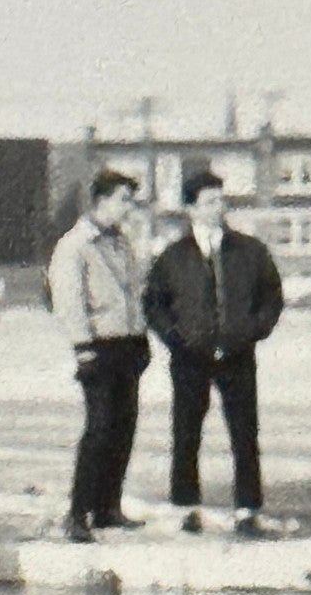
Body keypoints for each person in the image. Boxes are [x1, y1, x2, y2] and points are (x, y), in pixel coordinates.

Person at [144, 169, 284, 536]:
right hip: (190, 357)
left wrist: (252, 331)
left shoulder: (250, 251)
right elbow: (155, 304)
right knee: (187, 431)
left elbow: (271, 297)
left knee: (244, 433)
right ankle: (186, 506)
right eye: (208, 202)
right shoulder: (173, 257)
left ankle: (248, 508)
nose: (217, 207)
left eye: (221, 200)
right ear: (191, 208)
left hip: (238, 355)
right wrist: (176, 338)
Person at [47, 168, 152, 543]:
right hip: (98, 347)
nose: (129, 208)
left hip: (127, 344)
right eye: (124, 199)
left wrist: (141, 339)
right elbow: (69, 301)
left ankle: (109, 507)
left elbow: (133, 292)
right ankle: (78, 513)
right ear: (102, 200)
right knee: (99, 429)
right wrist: (83, 347)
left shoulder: (120, 243)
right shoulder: (76, 245)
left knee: (124, 427)